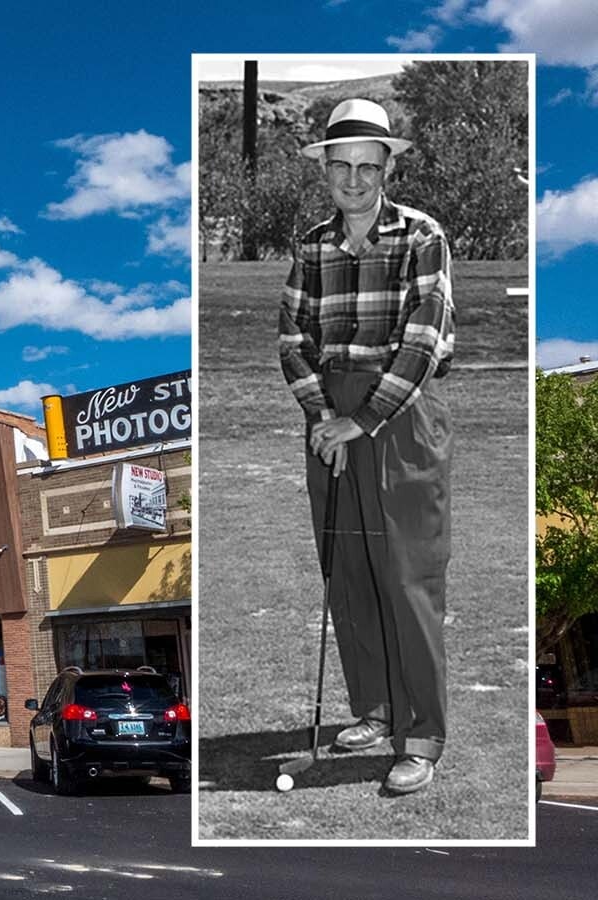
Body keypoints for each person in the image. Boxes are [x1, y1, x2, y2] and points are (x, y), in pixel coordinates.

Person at [279, 98, 453, 796]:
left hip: (403, 416)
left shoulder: (421, 236)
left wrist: (363, 418)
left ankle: (422, 734)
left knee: (408, 576)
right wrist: (326, 415)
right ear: (325, 169)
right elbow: (293, 340)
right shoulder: (312, 245)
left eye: (368, 166)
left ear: (386, 168)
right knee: (349, 573)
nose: (354, 179)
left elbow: (423, 338)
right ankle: (374, 713)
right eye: (342, 165)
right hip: (330, 416)